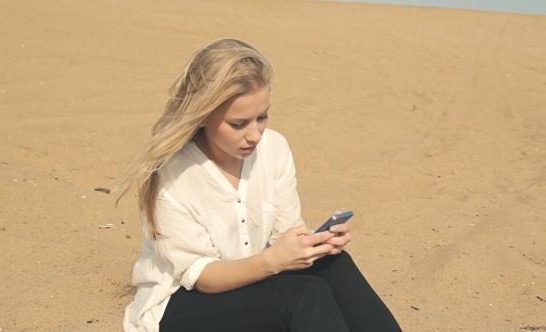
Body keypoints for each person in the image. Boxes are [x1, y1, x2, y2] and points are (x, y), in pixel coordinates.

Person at [117, 38, 402, 332]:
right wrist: (273, 261)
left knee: (334, 264)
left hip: (255, 281)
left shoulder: (274, 148)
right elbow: (201, 276)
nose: (255, 135)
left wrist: (314, 245)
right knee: (305, 295)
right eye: (238, 124)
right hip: (184, 304)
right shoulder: (172, 173)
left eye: (262, 117)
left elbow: (285, 233)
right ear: (201, 115)